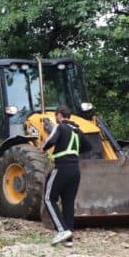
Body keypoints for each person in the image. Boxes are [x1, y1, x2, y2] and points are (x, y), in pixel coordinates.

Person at [41, 105, 91, 246]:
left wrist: (42, 148)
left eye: (57, 116)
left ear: (59, 115)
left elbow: (50, 140)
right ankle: (68, 239)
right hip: (76, 171)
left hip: (62, 168)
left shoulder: (60, 127)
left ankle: (61, 230)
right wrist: (73, 152)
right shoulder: (78, 131)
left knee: (49, 198)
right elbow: (88, 147)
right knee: (68, 203)